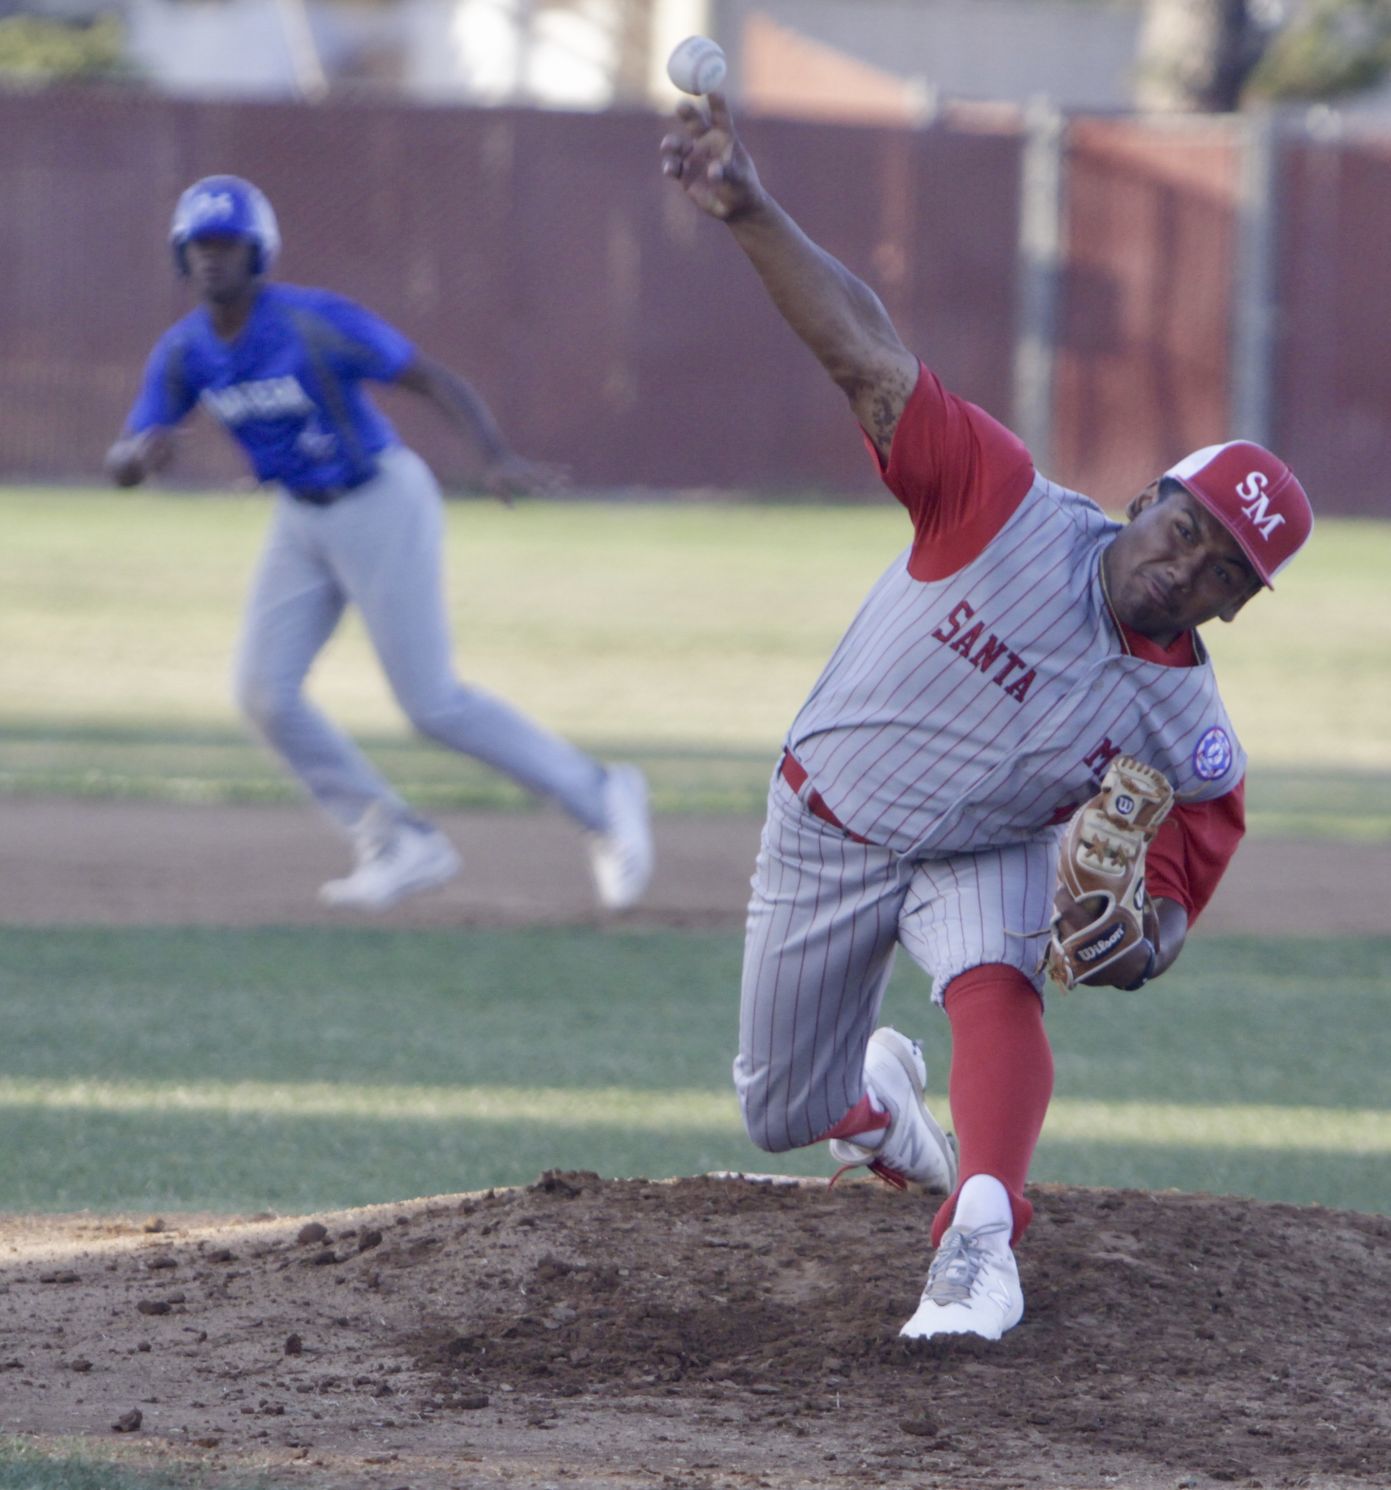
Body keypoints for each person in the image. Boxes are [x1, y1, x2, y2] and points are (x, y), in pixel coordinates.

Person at [661, 96, 1312, 1341]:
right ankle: (885, 1111)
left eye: (1223, 570)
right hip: (824, 823)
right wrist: (747, 209)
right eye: (1185, 528)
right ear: (1144, 496)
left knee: (996, 972)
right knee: (777, 1109)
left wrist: (1139, 943)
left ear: (1233, 607)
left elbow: (1164, 912)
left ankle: (979, 1238)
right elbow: (867, 351)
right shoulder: (999, 503)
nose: (1186, 567)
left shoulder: (1191, 732)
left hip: (981, 849)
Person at [106, 175, 652, 913]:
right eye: (198, 245)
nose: (211, 259)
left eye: (226, 244)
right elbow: (127, 457)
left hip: (380, 499)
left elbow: (432, 378)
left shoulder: (312, 323)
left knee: (431, 702)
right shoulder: (184, 353)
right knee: (264, 695)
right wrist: (137, 460)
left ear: (257, 251)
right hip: (301, 516)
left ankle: (600, 794)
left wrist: (491, 456)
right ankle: (396, 839)